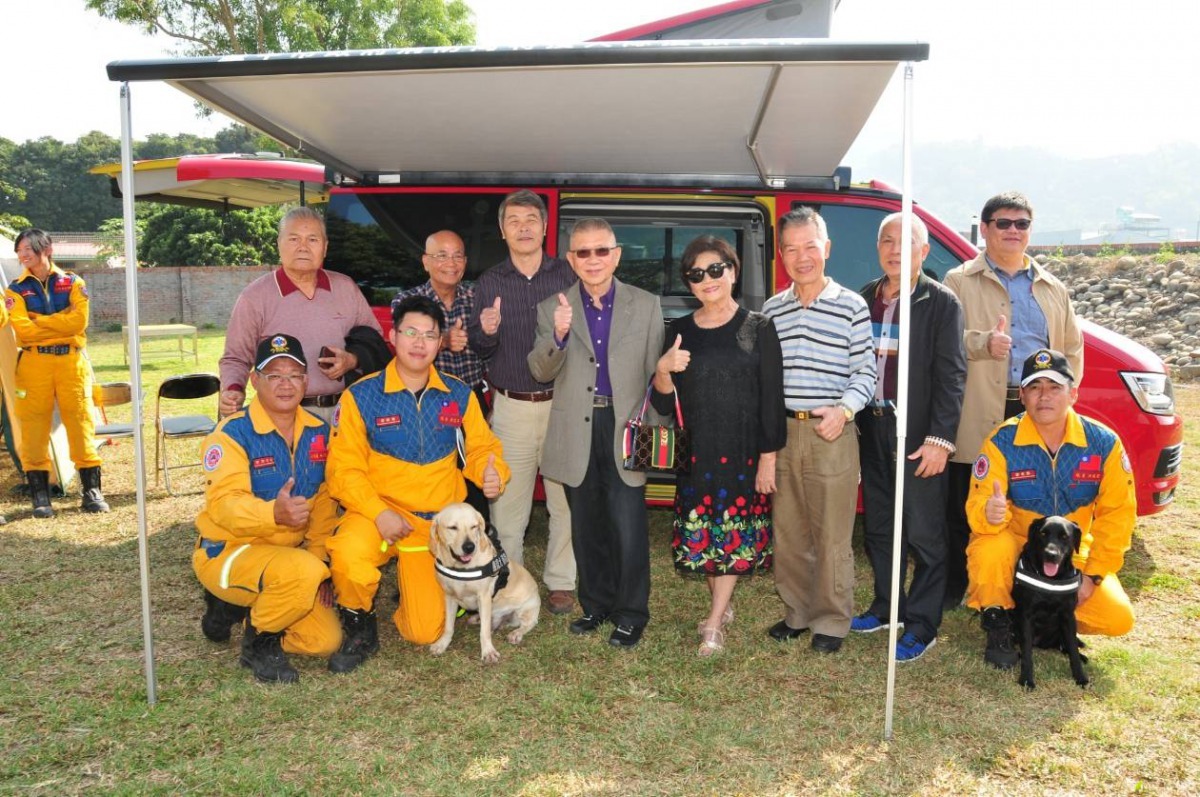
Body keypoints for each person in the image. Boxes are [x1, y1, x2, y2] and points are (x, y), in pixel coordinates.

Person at [325, 295, 509, 673]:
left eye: (429, 335)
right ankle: (359, 623)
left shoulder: (458, 393)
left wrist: (492, 473)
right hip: (377, 513)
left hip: (435, 528)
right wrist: (379, 513)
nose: (419, 342)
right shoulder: (361, 395)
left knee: (424, 632)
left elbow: (483, 449)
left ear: (440, 343)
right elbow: (343, 470)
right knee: (349, 553)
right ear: (393, 336)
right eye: (410, 332)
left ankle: (413, 593)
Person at [528, 217, 664, 648]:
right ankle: (597, 605)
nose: (593, 259)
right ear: (571, 259)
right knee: (585, 525)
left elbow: (655, 374)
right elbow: (540, 370)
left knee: (628, 525)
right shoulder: (552, 307)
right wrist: (559, 335)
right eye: (582, 252)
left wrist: (655, 434)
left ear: (616, 255)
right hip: (576, 428)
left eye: (601, 250)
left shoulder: (646, 304)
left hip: (627, 427)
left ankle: (631, 613)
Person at [943, 192, 1083, 609]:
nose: (1013, 231)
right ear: (985, 229)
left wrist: (1060, 398)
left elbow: (1072, 351)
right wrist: (984, 342)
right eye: (1003, 223)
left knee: (1033, 501)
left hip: (1036, 411)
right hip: (979, 407)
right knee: (968, 501)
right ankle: (960, 584)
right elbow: (943, 341)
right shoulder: (958, 281)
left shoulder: (1052, 287)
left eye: (1021, 224)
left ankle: (1028, 583)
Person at [650, 235, 785, 657]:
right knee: (706, 535)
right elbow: (662, 404)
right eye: (696, 274)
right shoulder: (679, 331)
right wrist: (663, 370)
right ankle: (721, 606)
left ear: (733, 271)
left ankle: (714, 620)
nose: (707, 279)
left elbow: (772, 399)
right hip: (696, 453)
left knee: (732, 536)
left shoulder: (759, 327)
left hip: (742, 453)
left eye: (715, 269)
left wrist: (768, 459)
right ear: (688, 283)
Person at [966, 348, 1135, 669]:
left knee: (1117, 618)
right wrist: (989, 513)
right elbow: (978, 503)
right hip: (1018, 548)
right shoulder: (1001, 441)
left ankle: (1051, 620)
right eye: (1034, 387)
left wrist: (1093, 576)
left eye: (1054, 387)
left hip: (1071, 554)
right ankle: (999, 618)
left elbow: (1118, 515)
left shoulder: (1103, 442)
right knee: (989, 548)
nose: (1044, 396)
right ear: (1022, 396)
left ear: (1073, 393)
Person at [850, 213, 966, 662]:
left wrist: (941, 439)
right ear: (877, 247)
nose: (895, 249)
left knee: (924, 533)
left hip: (918, 435)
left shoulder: (941, 303)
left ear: (924, 251)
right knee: (880, 526)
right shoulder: (865, 297)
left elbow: (952, 376)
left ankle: (922, 623)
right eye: (887, 240)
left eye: (906, 242)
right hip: (872, 427)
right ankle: (887, 607)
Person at [193, 333, 342, 684]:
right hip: (228, 551)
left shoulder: (319, 432)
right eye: (274, 375)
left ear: (306, 381)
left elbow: (323, 507)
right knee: (302, 573)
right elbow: (224, 505)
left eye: (294, 375)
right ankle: (259, 643)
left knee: (325, 641)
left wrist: (320, 564)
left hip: (287, 559)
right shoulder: (231, 433)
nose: (285, 384)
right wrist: (273, 514)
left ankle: (240, 608)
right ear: (254, 380)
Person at [761, 207, 876, 653]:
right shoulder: (772, 309)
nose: (801, 257)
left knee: (831, 535)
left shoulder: (852, 306)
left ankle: (831, 620)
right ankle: (797, 612)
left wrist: (843, 411)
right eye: (791, 249)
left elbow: (865, 373)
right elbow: (766, 381)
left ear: (826, 248)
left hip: (832, 434)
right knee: (789, 532)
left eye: (810, 246)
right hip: (784, 433)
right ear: (781, 256)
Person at [468, 190, 577, 615]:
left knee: (563, 500)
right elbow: (480, 349)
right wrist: (486, 330)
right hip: (511, 406)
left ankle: (561, 581)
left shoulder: (567, 274)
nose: (523, 227)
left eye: (531, 219)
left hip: (561, 405)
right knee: (508, 504)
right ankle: (509, 581)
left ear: (545, 227)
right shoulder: (489, 282)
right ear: (502, 230)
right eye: (514, 221)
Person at [219, 207, 387, 423]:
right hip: (283, 415)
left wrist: (352, 360)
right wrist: (233, 389)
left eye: (312, 240)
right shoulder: (255, 296)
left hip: (344, 411)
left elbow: (374, 341)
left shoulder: (346, 287)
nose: (303, 247)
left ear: (325, 247)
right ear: (279, 244)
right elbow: (236, 357)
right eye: (294, 239)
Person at [5, 228, 108, 517]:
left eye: (28, 249)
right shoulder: (15, 289)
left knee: (80, 421)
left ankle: (91, 492)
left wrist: (39, 321)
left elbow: (78, 323)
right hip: (33, 364)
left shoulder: (73, 282)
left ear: (47, 249)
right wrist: (59, 321)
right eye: (19, 251)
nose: (23, 255)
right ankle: (40, 496)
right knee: (33, 426)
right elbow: (22, 329)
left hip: (71, 363)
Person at [393, 229, 491, 522]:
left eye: (457, 256)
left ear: (465, 262)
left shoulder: (477, 298)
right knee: (431, 469)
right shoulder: (408, 301)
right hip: (425, 401)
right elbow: (405, 348)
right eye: (442, 256)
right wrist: (443, 341)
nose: (451, 263)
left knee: (474, 467)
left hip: (471, 397)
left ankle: (476, 532)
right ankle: (429, 529)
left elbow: (492, 349)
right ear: (426, 261)